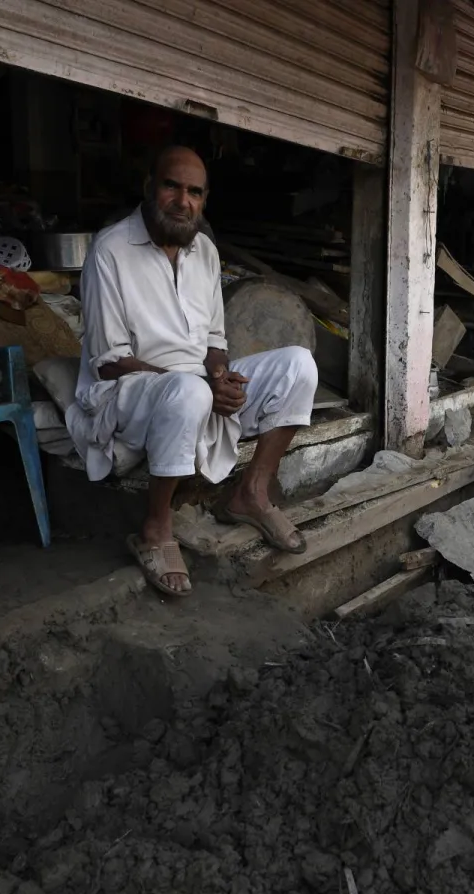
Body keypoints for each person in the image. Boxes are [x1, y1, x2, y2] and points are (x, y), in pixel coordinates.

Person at [68, 146, 319, 596]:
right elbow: (109, 361)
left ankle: (251, 494)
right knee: (188, 392)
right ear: (149, 187)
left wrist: (221, 376)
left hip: (195, 383)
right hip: (131, 389)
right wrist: (204, 385)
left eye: (195, 192)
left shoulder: (203, 249)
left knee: (299, 365)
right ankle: (155, 529)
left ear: (204, 200)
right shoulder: (110, 250)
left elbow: (214, 342)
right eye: (172, 186)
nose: (183, 201)